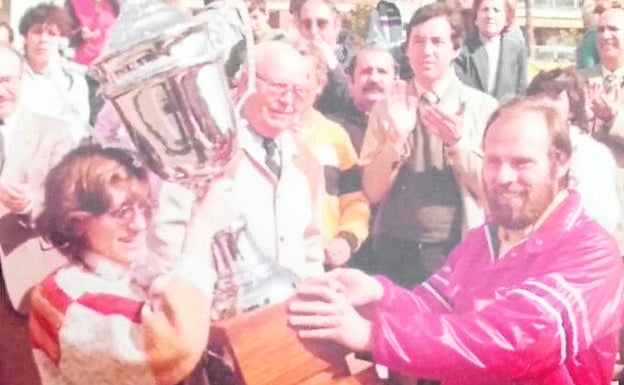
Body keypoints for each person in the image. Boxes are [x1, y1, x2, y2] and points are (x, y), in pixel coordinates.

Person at [288, 96, 624, 384]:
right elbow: (434, 307)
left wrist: (373, 336)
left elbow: (515, 342)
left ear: (561, 162)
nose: (504, 177)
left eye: (522, 163)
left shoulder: (592, 252)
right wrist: (377, 294)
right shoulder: (484, 239)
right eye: (493, 161)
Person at [29, 145, 215, 385]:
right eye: (121, 212)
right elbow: (175, 347)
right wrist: (201, 230)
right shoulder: (65, 298)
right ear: (76, 222)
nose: (139, 224)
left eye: (145, 209)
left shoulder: (121, 276)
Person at [360, 3, 497, 287]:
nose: (427, 50)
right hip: (393, 245)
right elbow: (372, 191)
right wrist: (395, 140)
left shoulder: (482, 108)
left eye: (437, 41)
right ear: (407, 49)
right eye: (418, 41)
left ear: (456, 49)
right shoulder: (385, 108)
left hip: (456, 247)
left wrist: (457, 143)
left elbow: (491, 191)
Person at [198, 40, 325, 279]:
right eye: (278, 87)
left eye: (299, 91)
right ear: (246, 82)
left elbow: (310, 245)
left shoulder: (306, 160)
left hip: (290, 310)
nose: (288, 100)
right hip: (224, 310)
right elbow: (172, 242)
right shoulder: (211, 154)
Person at [0, 42, 75, 385]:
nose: (2, 91)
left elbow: (71, 203)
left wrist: (30, 204)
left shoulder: (54, 130)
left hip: (34, 278)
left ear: (22, 81)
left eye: (8, 80)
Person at [294, 42, 370, 269]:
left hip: (323, 262)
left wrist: (346, 240)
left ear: (320, 84)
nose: (296, 86)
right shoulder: (264, 132)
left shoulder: (334, 136)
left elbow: (355, 199)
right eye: (289, 78)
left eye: (305, 77)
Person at [526, 66, 621, 234]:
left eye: (556, 97)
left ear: (572, 108)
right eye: (540, 95)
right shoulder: (522, 148)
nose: (546, 103)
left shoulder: (592, 154)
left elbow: (602, 216)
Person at [581, 5, 624, 250]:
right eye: (601, 29)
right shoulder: (579, 79)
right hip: (587, 203)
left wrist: (613, 119)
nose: (606, 35)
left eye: (614, 29)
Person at [18, 3, 91, 144]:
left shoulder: (73, 80)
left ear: (61, 40)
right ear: (26, 37)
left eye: (51, 34)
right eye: (37, 32)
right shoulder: (12, 76)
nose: (43, 40)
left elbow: (79, 129)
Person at [327, 46, 397, 153]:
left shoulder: (410, 128)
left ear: (395, 81)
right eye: (366, 72)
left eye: (382, 72)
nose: (374, 79)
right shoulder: (331, 129)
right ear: (351, 80)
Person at [454, 0, 527, 101]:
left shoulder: (516, 48)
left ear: (506, 19)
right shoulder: (461, 49)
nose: (490, 16)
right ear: (476, 18)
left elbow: (521, 92)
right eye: (485, 10)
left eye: (496, 10)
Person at [294, 0, 355, 115]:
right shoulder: (289, 60)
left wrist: (331, 62)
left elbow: (349, 99)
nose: (313, 31)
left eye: (321, 24)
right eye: (307, 24)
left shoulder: (352, 61)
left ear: (337, 26)